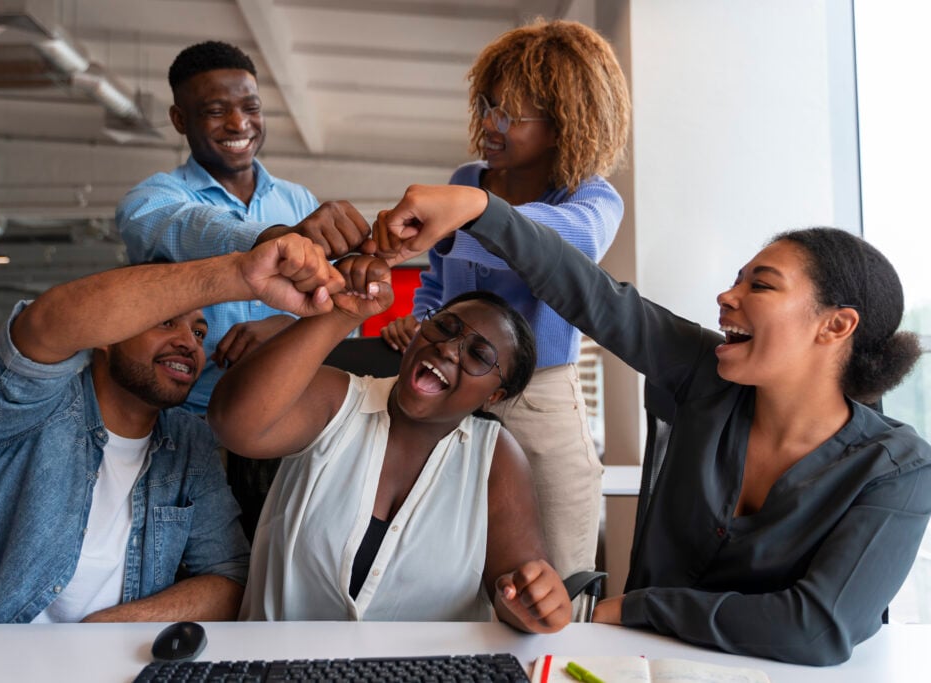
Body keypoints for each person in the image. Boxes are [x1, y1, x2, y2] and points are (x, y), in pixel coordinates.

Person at [370, 184, 931, 665]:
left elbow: (816, 628)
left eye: (759, 285)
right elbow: (594, 296)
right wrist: (479, 207)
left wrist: (625, 608)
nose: (726, 296)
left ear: (836, 325)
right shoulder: (706, 374)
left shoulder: (898, 469)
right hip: (634, 666)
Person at [0, 233, 343, 624]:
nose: (189, 343)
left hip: (113, 666)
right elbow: (46, 325)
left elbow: (229, 578)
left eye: (198, 331)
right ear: (107, 334)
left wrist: (115, 626)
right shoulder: (28, 406)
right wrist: (237, 273)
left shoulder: (188, 442)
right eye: (166, 322)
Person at [379, 19, 631, 584]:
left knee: (560, 567)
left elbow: (569, 244)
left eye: (511, 115)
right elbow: (441, 285)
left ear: (564, 123)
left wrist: (464, 215)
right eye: (489, 104)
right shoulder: (469, 178)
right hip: (451, 386)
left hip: (538, 394)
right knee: (444, 559)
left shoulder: (590, 199)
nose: (490, 124)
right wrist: (421, 321)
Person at [207, 256, 572, 633]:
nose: (448, 349)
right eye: (444, 327)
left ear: (494, 396)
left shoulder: (495, 456)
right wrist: (342, 312)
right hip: (283, 668)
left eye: (479, 355)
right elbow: (232, 423)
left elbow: (516, 587)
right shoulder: (337, 399)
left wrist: (535, 602)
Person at [117, 40, 370, 414]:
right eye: (216, 111)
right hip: (189, 419)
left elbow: (343, 320)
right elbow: (186, 226)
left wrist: (286, 326)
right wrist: (271, 240)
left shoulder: (298, 200)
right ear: (180, 119)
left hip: (289, 416)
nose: (239, 124)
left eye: (251, 108)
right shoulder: (155, 198)